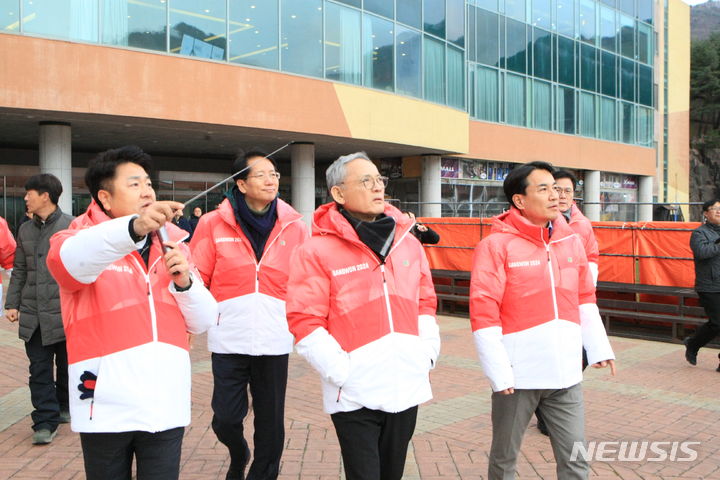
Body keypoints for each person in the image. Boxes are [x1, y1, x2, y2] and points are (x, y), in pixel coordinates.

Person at [46, 145, 217, 480]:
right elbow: (68, 264)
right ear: (105, 198)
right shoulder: (77, 239)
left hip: (164, 402)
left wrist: (185, 282)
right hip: (104, 402)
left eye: (149, 184)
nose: (147, 191)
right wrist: (134, 228)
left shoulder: (174, 244)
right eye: (135, 184)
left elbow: (204, 320)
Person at [286, 152, 440, 480]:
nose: (377, 188)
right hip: (354, 391)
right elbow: (304, 319)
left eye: (379, 180)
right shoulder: (315, 250)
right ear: (338, 194)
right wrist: (341, 371)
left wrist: (426, 355)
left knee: (392, 473)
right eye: (365, 181)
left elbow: (425, 302)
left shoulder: (408, 244)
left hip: (405, 383)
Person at [470, 161, 615, 480]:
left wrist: (598, 347)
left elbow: (584, 298)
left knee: (576, 459)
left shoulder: (571, 242)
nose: (556, 196)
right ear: (519, 200)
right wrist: (498, 371)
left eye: (558, 188)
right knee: (505, 458)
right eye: (544, 189)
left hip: (565, 372)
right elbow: (484, 310)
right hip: (517, 377)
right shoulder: (495, 246)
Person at [190, 149, 308, 480]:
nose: (271, 180)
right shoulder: (212, 224)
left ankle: (262, 473)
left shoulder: (295, 227)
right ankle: (238, 450)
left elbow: (305, 281)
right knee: (225, 417)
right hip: (229, 337)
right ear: (240, 184)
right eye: (261, 174)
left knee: (271, 421)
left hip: (275, 338)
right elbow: (198, 279)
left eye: (275, 174)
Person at [5, 174, 73, 445]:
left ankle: (64, 404)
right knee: (39, 369)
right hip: (33, 313)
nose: (25, 198)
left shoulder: (71, 226)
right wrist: (12, 303)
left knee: (67, 365)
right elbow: (19, 269)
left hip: (63, 311)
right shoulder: (24, 229)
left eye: (29, 193)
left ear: (45, 195)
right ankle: (45, 420)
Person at [533, 169, 601, 436]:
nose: (560, 195)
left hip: (574, 301)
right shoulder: (539, 221)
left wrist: (586, 290)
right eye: (556, 189)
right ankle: (544, 409)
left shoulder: (582, 225)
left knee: (581, 353)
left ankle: (548, 401)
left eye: (567, 191)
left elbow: (592, 256)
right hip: (543, 302)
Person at [684, 199, 720, 369]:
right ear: (706, 213)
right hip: (709, 286)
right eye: (715, 209)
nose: (719, 212)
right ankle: (693, 343)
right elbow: (703, 252)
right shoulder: (699, 233)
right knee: (717, 322)